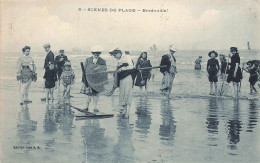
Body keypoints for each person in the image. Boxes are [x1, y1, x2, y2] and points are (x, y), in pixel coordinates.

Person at [108, 48, 135, 118]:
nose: (114, 57)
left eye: (115, 55)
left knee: (127, 93)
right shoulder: (119, 60)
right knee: (122, 94)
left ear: (119, 53)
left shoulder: (126, 57)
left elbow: (132, 66)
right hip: (122, 79)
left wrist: (122, 69)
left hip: (128, 78)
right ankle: (124, 111)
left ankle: (127, 113)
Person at [82, 45, 108, 112]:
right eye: (95, 53)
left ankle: (95, 107)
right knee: (88, 94)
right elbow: (84, 70)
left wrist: (104, 81)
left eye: (98, 53)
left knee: (96, 94)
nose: (96, 54)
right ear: (92, 53)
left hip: (98, 80)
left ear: (100, 53)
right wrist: (84, 80)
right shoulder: (88, 60)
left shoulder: (103, 61)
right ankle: (86, 107)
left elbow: (105, 71)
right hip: (88, 80)